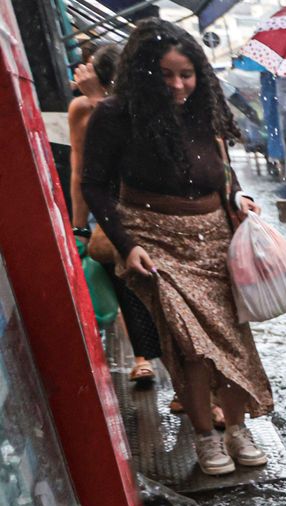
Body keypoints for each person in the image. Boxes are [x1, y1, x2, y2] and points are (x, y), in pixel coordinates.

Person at [81, 19, 275, 476]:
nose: (177, 84)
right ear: (142, 73)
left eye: (186, 74)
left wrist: (238, 198)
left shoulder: (204, 107)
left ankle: (237, 430)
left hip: (215, 238)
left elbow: (224, 171)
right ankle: (207, 437)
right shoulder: (114, 115)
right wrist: (127, 245)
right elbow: (95, 184)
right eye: (165, 75)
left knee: (232, 340)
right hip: (153, 239)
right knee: (189, 345)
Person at [68, 43, 166, 390]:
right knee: (126, 283)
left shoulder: (145, 106)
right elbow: (82, 169)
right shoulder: (81, 108)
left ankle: (188, 380)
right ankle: (143, 359)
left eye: (90, 66)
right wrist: (79, 227)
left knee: (159, 287)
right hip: (107, 209)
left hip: (148, 205)